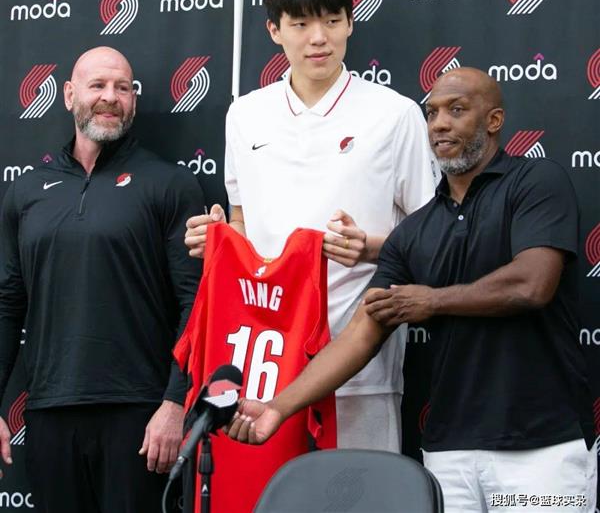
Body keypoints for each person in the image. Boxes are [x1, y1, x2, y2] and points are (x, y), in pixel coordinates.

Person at [226, 68, 597, 513]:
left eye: (456, 110)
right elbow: (361, 333)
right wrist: (277, 407)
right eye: (432, 113)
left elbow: (531, 284)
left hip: (541, 448)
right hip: (448, 453)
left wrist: (432, 300)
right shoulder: (415, 230)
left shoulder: (536, 182)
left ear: (494, 120)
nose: (439, 124)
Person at [184, 0, 438, 452]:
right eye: (300, 24)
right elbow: (241, 218)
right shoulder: (245, 114)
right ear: (274, 30)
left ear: (350, 23)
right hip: (263, 359)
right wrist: (218, 238)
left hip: (360, 365)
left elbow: (430, 236)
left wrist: (369, 248)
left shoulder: (395, 114)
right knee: (270, 491)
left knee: (359, 490)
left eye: (332, 20)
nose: (318, 38)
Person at [0, 46, 205, 513]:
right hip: (49, 413)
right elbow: (8, 304)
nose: (110, 97)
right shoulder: (26, 191)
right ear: (69, 94)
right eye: (98, 85)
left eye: (122, 87)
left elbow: (196, 302)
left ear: (133, 99)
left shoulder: (169, 184)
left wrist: (175, 403)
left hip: (141, 416)